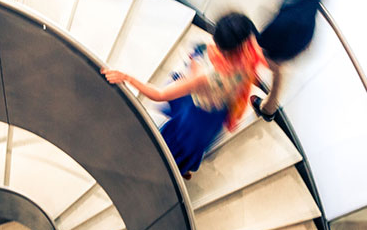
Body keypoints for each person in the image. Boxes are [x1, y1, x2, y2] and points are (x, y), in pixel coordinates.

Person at [102, 12, 266, 179]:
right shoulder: (249, 60)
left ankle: (168, 171)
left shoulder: (206, 77)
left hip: (195, 118)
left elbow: (160, 94)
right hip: (216, 117)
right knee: (193, 148)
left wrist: (127, 77)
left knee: (174, 146)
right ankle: (184, 168)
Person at [251, 0, 326, 121]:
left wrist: (257, 43)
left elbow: (267, 39)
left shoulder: (292, 19)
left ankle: (243, 82)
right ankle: (269, 108)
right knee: (277, 72)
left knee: (272, 64)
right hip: (297, 38)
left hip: (287, 45)